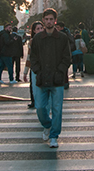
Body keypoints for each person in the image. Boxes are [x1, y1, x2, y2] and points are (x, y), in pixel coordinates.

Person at [29, 8, 72, 148]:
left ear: (55, 21)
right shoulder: (37, 39)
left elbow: (67, 58)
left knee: (57, 109)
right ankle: (47, 125)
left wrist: (60, 72)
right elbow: (33, 57)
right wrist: (37, 71)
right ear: (43, 20)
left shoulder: (62, 38)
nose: (48, 22)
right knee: (40, 107)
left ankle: (54, 136)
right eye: (46, 19)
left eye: (51, 19)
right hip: (41, 79)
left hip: (57, 80)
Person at [24, 21, 44, 108]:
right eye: (38, 29)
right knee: (33, 84)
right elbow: (29, 57)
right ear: (34, 31)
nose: (40, 30)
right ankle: (33, 101)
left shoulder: (46, 39)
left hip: (44, 66)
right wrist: (25, 71)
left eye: (41, 28)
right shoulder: (32, 41)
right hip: (34, 67)